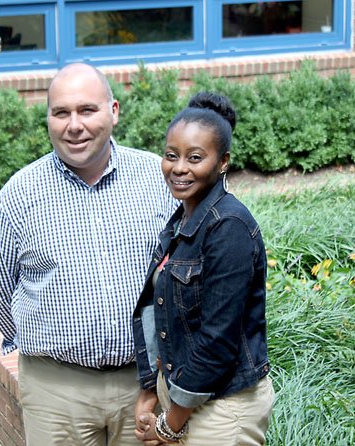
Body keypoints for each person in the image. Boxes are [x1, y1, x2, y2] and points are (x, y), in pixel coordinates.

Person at [0, 62, 178, 446]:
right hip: (56, 393)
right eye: (61, 113)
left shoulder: (158, 179)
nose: (74, 125)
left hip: (147, 386)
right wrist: (40, 338)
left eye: (87, 110)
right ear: (48, 119)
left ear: (113, 111)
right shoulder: (19, 196)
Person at [132, 92, 274, 445]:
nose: (179, 168)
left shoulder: (229, 227)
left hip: (223, 409)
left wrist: (170, 424)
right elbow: (161, 312)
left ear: (223, 161)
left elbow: (217, 341)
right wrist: (152, 388)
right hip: (185, 399)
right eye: (171, 155)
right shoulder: (183, 219)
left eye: (195, 157)